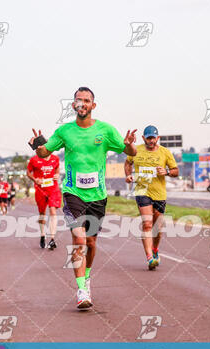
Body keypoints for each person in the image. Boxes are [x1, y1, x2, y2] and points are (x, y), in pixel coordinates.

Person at [29, 86, 137, 309]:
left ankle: (86, 276)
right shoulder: (65, 132)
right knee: (78, 238)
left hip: (97, 195)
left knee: (91, 241)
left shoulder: (106, 130)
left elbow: (131, 152)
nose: (83, 104)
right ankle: (81, 289)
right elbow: (44, 153)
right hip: (72, 192)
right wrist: (37, 145)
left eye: (87, 100)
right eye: (79, 100)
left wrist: (128, 144)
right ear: (73, 105)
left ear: (93, 105)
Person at [124, 125, 178, 270]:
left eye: (153, 138)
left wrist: (166, 172)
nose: (151, 141)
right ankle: (149, 258)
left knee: (157, 227)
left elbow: (175, 171)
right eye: (148, 138)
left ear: (157, 138)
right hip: (142, 190)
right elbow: (128, 162)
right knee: (147, 224)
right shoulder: (137, 150)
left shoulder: (165, 152)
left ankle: (155, 249)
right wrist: (128, 175)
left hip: (159, 193)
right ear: (143, 138)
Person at [27, 152, 61, 250]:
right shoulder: (34, 159)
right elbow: (28, 173)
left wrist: (57, 174)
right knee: (42, 213)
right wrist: (35, 179)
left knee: (53, 210)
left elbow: (57, 168)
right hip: (40, 189)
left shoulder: (55, 158)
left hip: (53, 189)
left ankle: (52, 239)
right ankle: (42, 235)